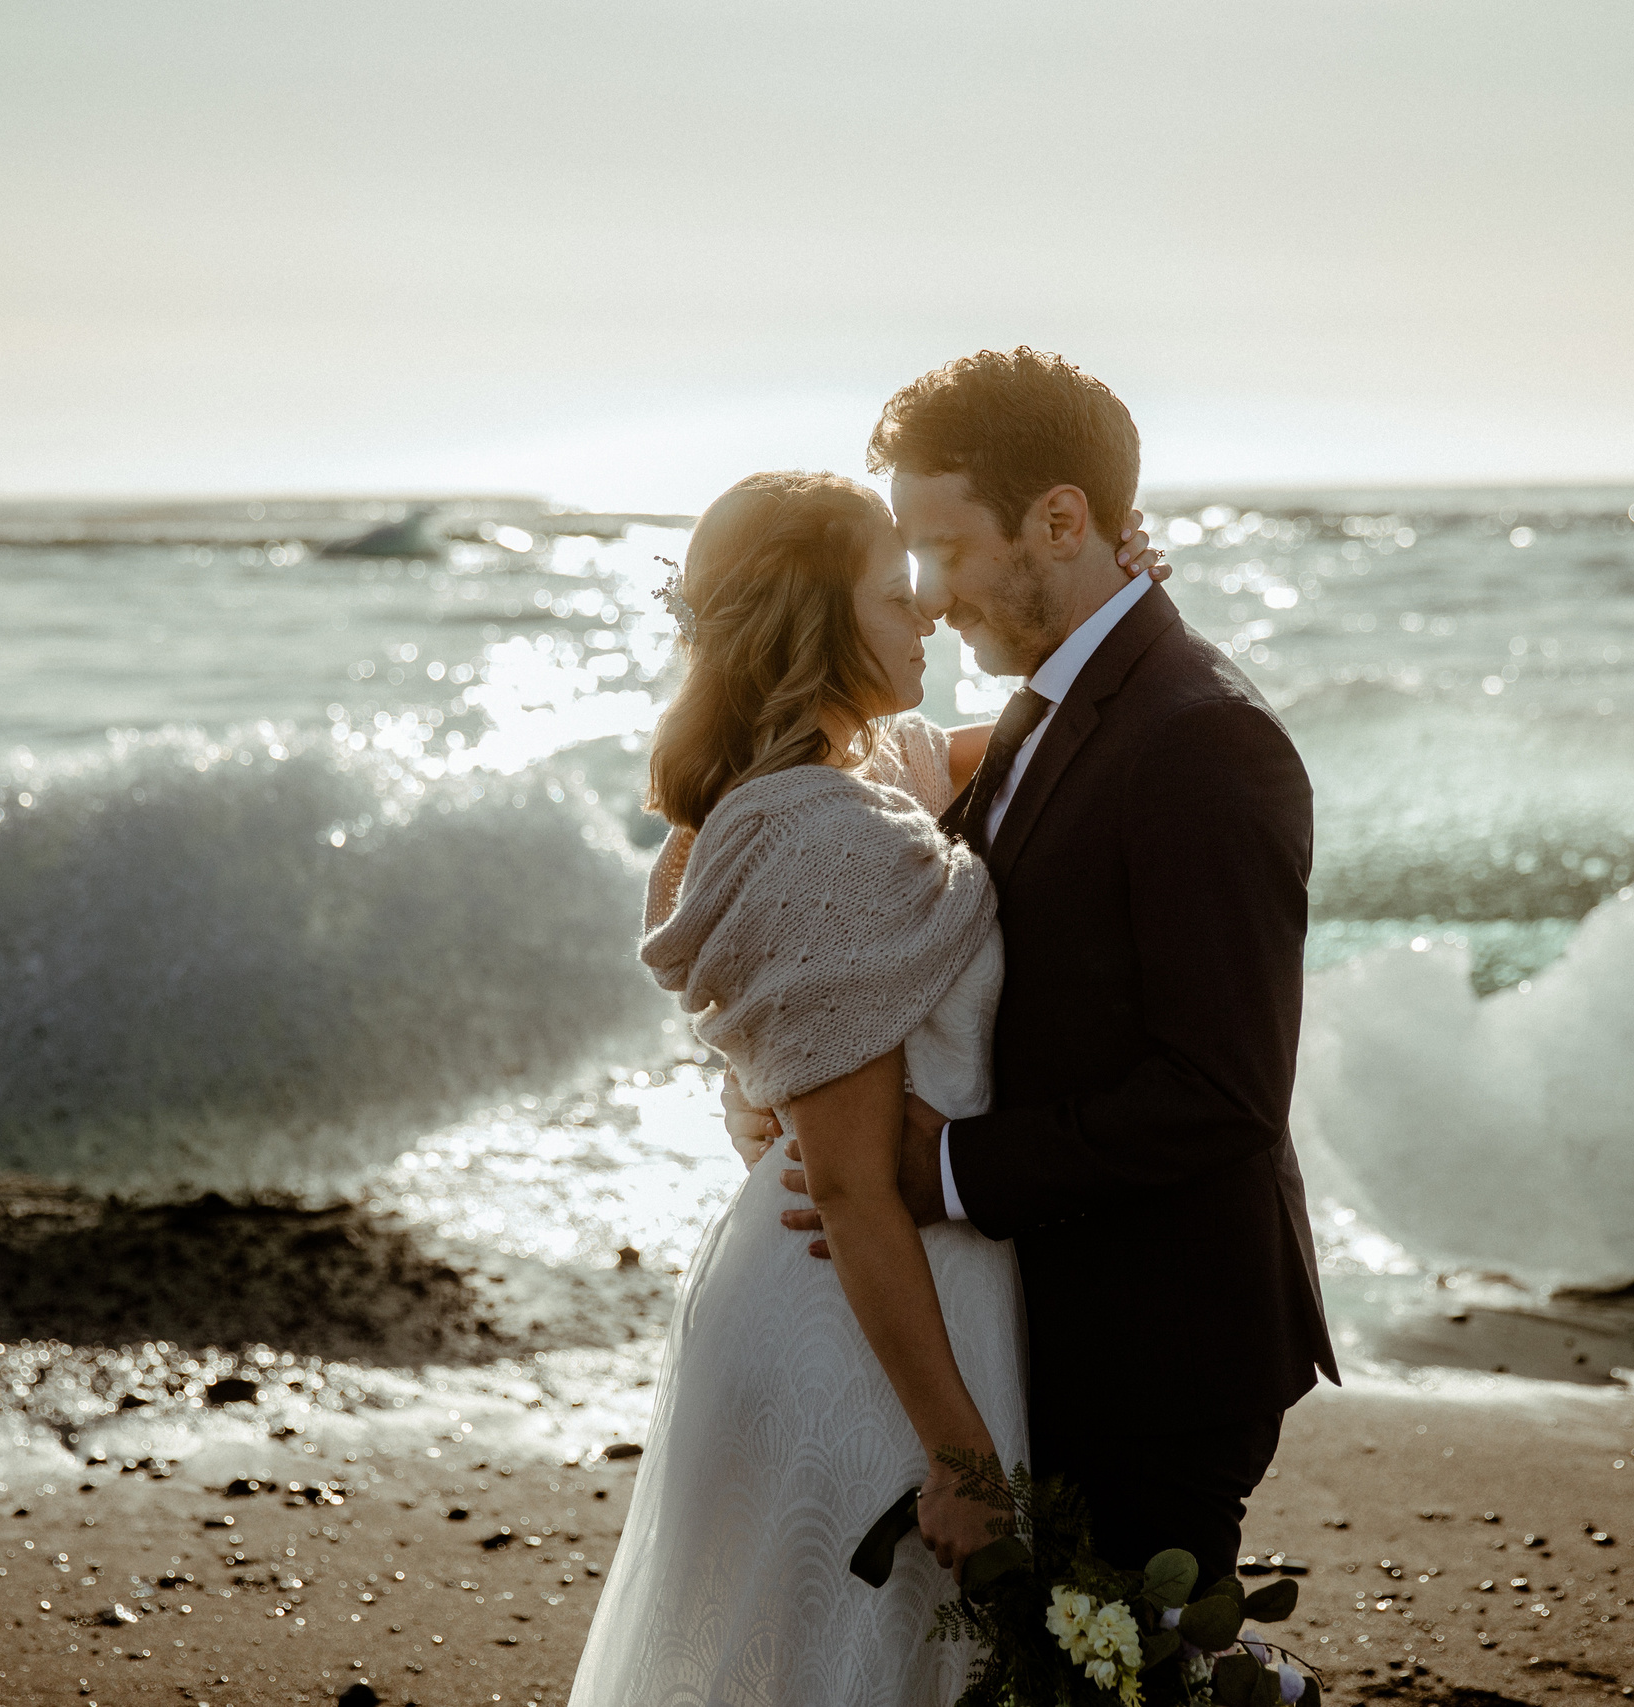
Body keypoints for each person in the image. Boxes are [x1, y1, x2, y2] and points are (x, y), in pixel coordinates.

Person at [745, 349, 1339, 1631]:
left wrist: (941, 1168)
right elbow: (834, 816)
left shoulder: (1202, 741)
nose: (929, 591)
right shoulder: (1055, 699)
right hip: (1060, 1315)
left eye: (945, 548)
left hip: (1159, 1338)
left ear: (1059, 521)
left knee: (1116, 1669)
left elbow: (1219, 1092)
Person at [567, 466, 1167, 1705]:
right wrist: (959, 1460)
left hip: (901, 1290)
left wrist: (1119, 601)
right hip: (860, 1327)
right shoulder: (828, 842)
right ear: (820, 629)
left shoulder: (849, 780)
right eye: (898, 595)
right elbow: (847, 1185)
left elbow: (1017, 752)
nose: (933, 614)